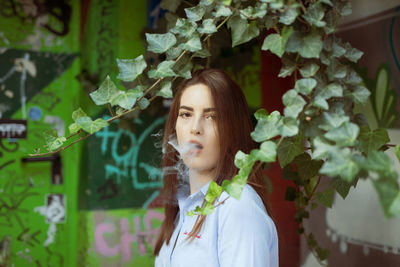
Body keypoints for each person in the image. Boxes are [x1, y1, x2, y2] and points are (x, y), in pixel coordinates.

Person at [154, 69, 278, 267]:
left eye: (212, 116)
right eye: (186, 114)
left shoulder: (237, 204)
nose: (195, 127)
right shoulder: (185, 207)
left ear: (232, 128)